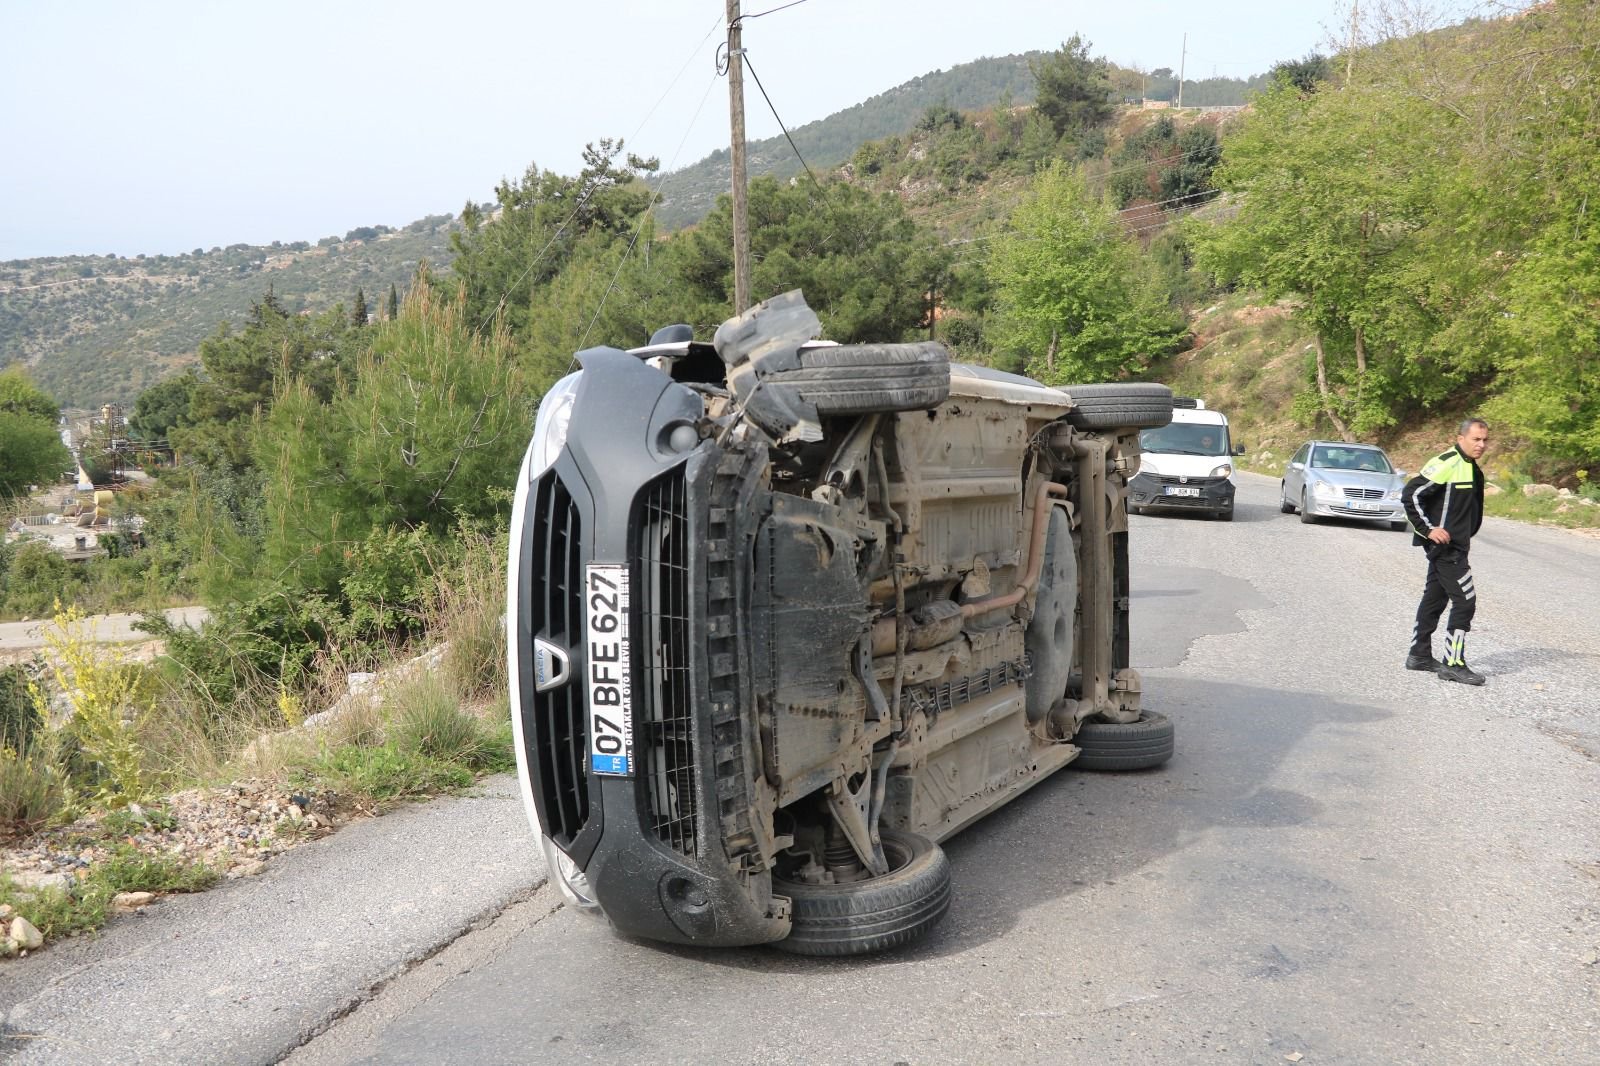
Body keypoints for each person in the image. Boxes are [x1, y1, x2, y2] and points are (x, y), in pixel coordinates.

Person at [1400, 418, 1490, 685]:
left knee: (1435, 599)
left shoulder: (1470, 466)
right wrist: (1428, 530)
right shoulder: (1447, 462)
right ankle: (1453, 663)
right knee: (1465, 601)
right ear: (1461, 438)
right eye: (1476, 439)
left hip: (1457, 545)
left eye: (1485, 440)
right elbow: (1411, 494)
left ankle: (1419, 655)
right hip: (1446, 548)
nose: (1481, 444)